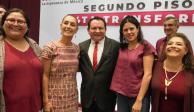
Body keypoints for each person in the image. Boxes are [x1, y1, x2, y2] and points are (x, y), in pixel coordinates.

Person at [110, 15, 156, 112]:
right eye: (125, 30)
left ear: (138, 29)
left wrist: (139, 101)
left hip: (139, 95)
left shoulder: (146, 46)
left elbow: (148, 75)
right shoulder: (122, 47)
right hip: (122, 94)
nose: (129, 32)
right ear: (122, 32)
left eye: (132, 29)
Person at [0, 8, 42, 112]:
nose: (15, 24)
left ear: (27, 26)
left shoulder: (35, 47)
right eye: (11, 20)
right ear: (2, 24)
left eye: (20, 21)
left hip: (35, 107)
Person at [79, 16, 120, 112]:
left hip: (107, 99)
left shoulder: (115, 46)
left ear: (105, 29)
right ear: (88, 30)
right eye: (93, 28)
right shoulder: (81, 46)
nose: (97, 31)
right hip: (87, 98)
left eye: (100, 28)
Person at [41, 15, 79, 112]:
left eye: (72, 24)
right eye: (66, 23)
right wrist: (46, 101)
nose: (68, 26)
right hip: (53, 99)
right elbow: (45, 75)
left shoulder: (77, 49)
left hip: (72, 98)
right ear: (61, 25)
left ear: (76, 30)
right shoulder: (49, 47)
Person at [151, 33, 194, 112]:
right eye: (170, 44)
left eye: (178, 44)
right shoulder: (155, 66)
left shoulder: (191, 72)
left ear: (186, 50)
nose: (173, 46)